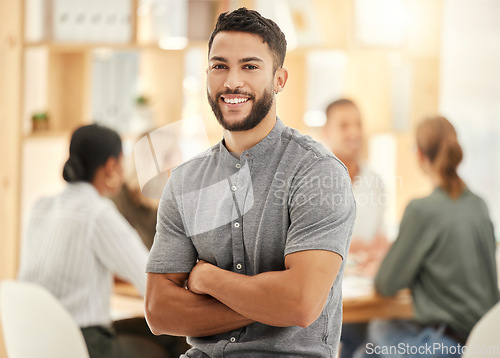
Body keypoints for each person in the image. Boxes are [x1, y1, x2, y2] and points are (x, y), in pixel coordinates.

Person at [145, 7, 356, 358]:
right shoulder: (184, 181)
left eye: (250, 66)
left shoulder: (317, 173)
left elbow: (301, 304)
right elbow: (159, 311)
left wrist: (207, 279)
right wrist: (270, 303)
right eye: (220, 66)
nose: (232, 82)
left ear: (279, 79)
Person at [18, 124, 186, 358]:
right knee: (180, 338)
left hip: (35, 339)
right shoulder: (97, 212)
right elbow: (149, 276)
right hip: (84, 344)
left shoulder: (40, 206)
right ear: (111, 166)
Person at [356, 116, 500, 358]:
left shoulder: (421, 209)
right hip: (485, 342)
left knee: (374, 331)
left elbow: (386, 284)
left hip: (445, 346)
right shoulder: (479, 205)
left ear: (420, 155)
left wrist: (383, 266)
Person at [322, 99, 389, 358]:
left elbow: (380, 237)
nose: (354, 132)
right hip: (330, 294)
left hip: (368, 292)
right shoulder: (314, 182)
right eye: (344, 125)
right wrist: (349, 246)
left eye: (358, 124)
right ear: (326, 132)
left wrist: (381, 249)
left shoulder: (376, 182)